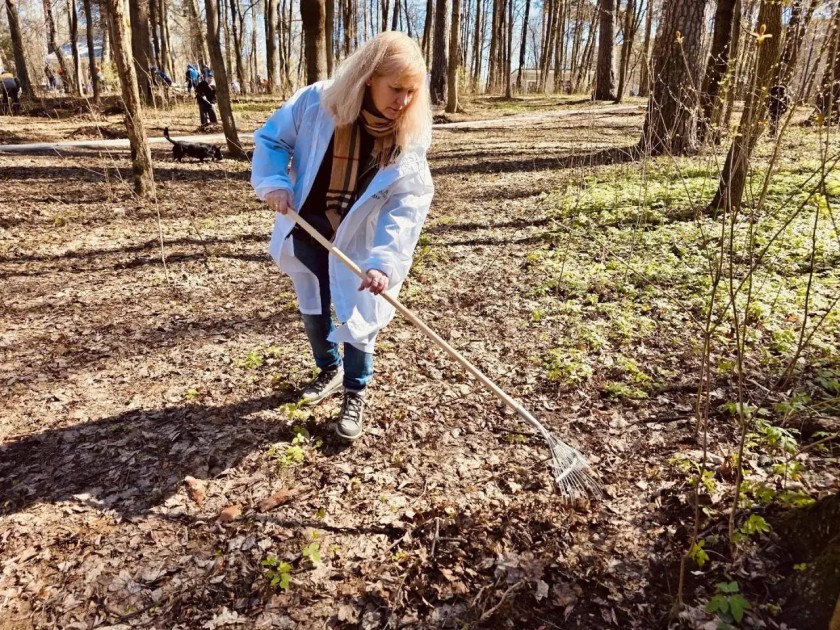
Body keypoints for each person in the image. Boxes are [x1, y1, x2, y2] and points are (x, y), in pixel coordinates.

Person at [251, 32, 434, 442]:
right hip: (308, 224)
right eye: (395, 88)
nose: (402, 101)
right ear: (369, 77)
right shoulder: (317, 103)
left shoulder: (410, 132)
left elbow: (407, 204)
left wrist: (384, 261)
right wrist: (275, 182)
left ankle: (355, 392)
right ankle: (328, 369)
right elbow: (271, 139)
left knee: (359, 317)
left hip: (359, 240)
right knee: (313, 307)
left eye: (411, 92)